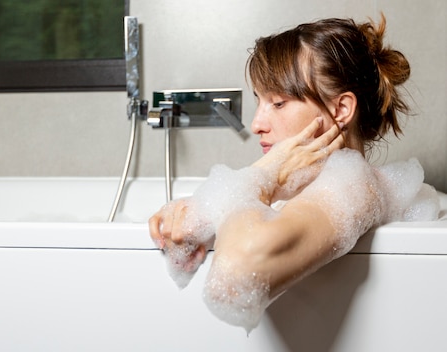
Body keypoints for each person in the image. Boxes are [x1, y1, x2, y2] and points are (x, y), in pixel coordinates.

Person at [148, 15, 439, 332]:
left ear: (341, 110)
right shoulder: (311, 189)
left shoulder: (352, 188)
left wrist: (264, 177)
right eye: (260, 101)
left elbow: (235, 278)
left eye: (279, 103)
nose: (257, 123)